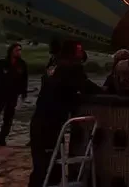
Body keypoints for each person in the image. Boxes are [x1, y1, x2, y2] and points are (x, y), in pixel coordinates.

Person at [28, 40, 101, 187]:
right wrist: (105, 91)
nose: (81, 53)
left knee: (44, 167)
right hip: (50, 124)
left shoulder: (54, 64)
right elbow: (85, 86)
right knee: (49, 168)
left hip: (40, 121)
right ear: (72, 51)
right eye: (79, 50)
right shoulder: (71, 67)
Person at [0, 43, 28, 145]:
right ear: (11, 51)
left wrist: (23, 93)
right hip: (0, 94)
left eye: (20, 50)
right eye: (17, 50)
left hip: (13, 95)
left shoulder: (22, 65)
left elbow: (24, 80)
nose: (19, 52)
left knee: (8, 118)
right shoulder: (2, 63)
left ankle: (2, 136)